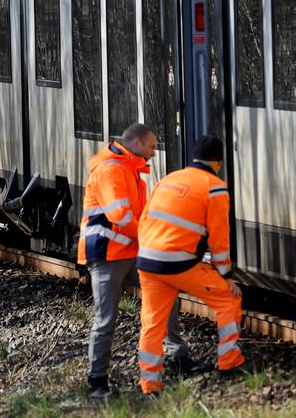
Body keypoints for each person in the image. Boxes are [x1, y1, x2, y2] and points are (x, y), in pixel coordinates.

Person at [78, 123, 207, 402]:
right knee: (106, 319)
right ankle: (97, 380)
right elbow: (121, 217)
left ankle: (176, 357)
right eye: (151, 146)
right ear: (136, 143)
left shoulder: (132, 169)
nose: (153, 152)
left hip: (132, 250)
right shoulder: (111, 169)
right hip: (106, 254)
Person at [136, 135, 244, 395]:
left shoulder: (168, 179)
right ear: (218, 162)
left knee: (152, 324)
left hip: (148, 261)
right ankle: (229, 362)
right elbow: (219, 240)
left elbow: (144, 219)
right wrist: (226, 276)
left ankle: (150, 386)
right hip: (179, 265)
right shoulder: (215, 187)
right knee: (228, 300)